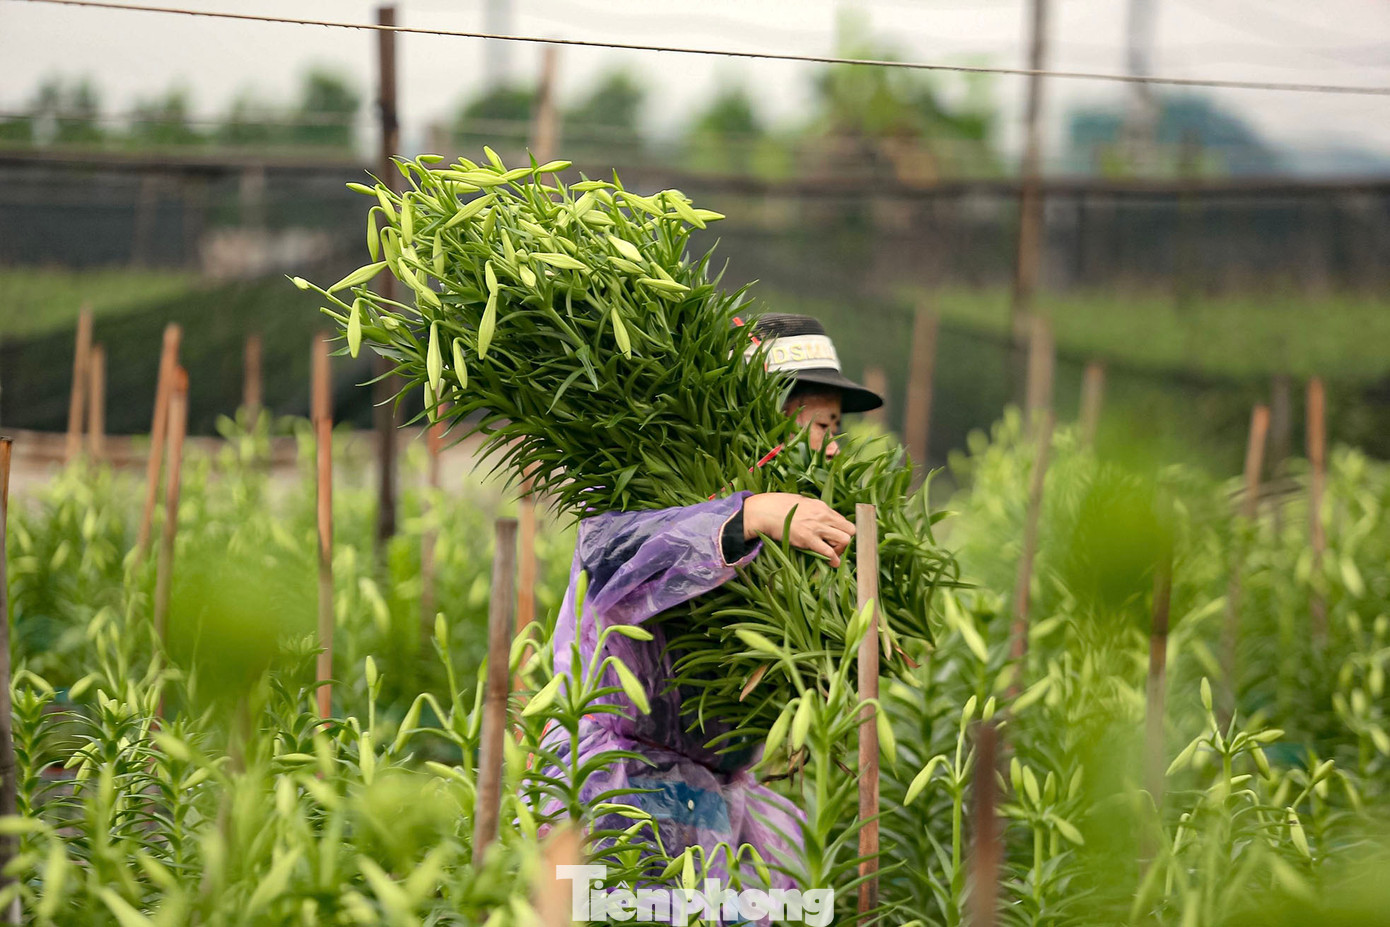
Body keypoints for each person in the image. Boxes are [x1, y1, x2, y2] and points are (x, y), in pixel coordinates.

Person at [535, 313, 883, 915]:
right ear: (763, 419)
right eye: (823, 424)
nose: (832, 446)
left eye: (837, 429)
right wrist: (749, 514)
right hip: (617, 790)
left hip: (713, 803)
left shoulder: (792, 551)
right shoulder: (662, 502)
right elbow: (609, 557)